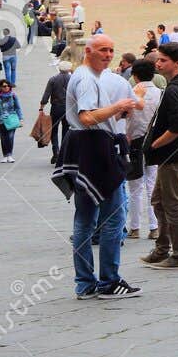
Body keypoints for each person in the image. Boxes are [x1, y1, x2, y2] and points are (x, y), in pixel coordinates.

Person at [58, 34, 141, 299]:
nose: (108, 55)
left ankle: (85, 283)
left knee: (84, 219)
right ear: (89, 51)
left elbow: (91, 118)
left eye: (111, 50)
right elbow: (87, 117)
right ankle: (108, 281)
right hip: (93, 148)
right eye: (103, 50)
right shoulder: (85, 79)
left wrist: (116, 113)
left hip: (83, 146)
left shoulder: (87, 77)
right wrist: (118, 106)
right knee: (113, 217)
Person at [142, 42, 178, 271]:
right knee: (158, 200)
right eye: (158, 59)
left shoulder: (175, 90)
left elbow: (175, 128)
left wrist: (154, 144)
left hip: (172, 153)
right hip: (177, 150)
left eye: (163, 60)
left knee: (173, 204)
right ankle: (162, 248)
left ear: (177, 63)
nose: (158, 63)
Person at [124, 57, 161, 239]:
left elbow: (128, 121)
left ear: (135, 76)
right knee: (152, 184)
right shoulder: (161, 93)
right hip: (154, 142)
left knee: (135, 187)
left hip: (135, 142)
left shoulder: (131, 93)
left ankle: (135, 227)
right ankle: (154, 227)